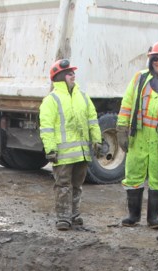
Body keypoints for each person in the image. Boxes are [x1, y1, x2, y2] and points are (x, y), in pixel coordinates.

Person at [117, 40, 158, 230]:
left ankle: (153, 219)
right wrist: (122, 130)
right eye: (155, 58)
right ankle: (133, 216)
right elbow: (127, 104)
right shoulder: (139, 78)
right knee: (133, 176)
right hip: (138, 138)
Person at [39, 59, 102, 231]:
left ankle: (74, 215)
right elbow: (46, 127)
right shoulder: (51, 100)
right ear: (60, 77)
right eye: (69, 73)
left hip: (81, 153)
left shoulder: (82, 96)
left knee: (76, 186)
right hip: (63, 154)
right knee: (63, 185)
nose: (73, 75)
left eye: (73, 73)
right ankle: (63, 218)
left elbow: (92, 120)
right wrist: (50, 149)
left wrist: (96, 140)